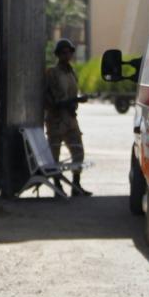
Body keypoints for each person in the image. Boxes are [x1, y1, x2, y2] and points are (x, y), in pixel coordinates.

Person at [44, 38, 91, 197]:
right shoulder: (52, 73)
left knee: (78, 151)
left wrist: (76, 101)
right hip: (56, 119)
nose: (67, 55)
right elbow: (53, 100)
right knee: (54, 155)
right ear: (58, 54)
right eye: (63, 52)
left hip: (70, 118)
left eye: (69, 52)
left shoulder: (71, 72)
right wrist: (76, 100)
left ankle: (76, 185)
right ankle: (57, 186)